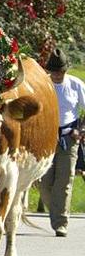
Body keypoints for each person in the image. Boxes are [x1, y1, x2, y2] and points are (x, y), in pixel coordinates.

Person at [39, 48, 85, 236]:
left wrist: (81, 130)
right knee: (45, 183)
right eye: (54, 71)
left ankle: (61, 223)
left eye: (61, 71)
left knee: (64, 181)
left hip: (69, 137)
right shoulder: (43, 85)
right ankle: (55, 211)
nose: (58, 75)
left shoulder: (75, 85)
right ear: (49, 70)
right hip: (46, 138)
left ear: (66, 70)